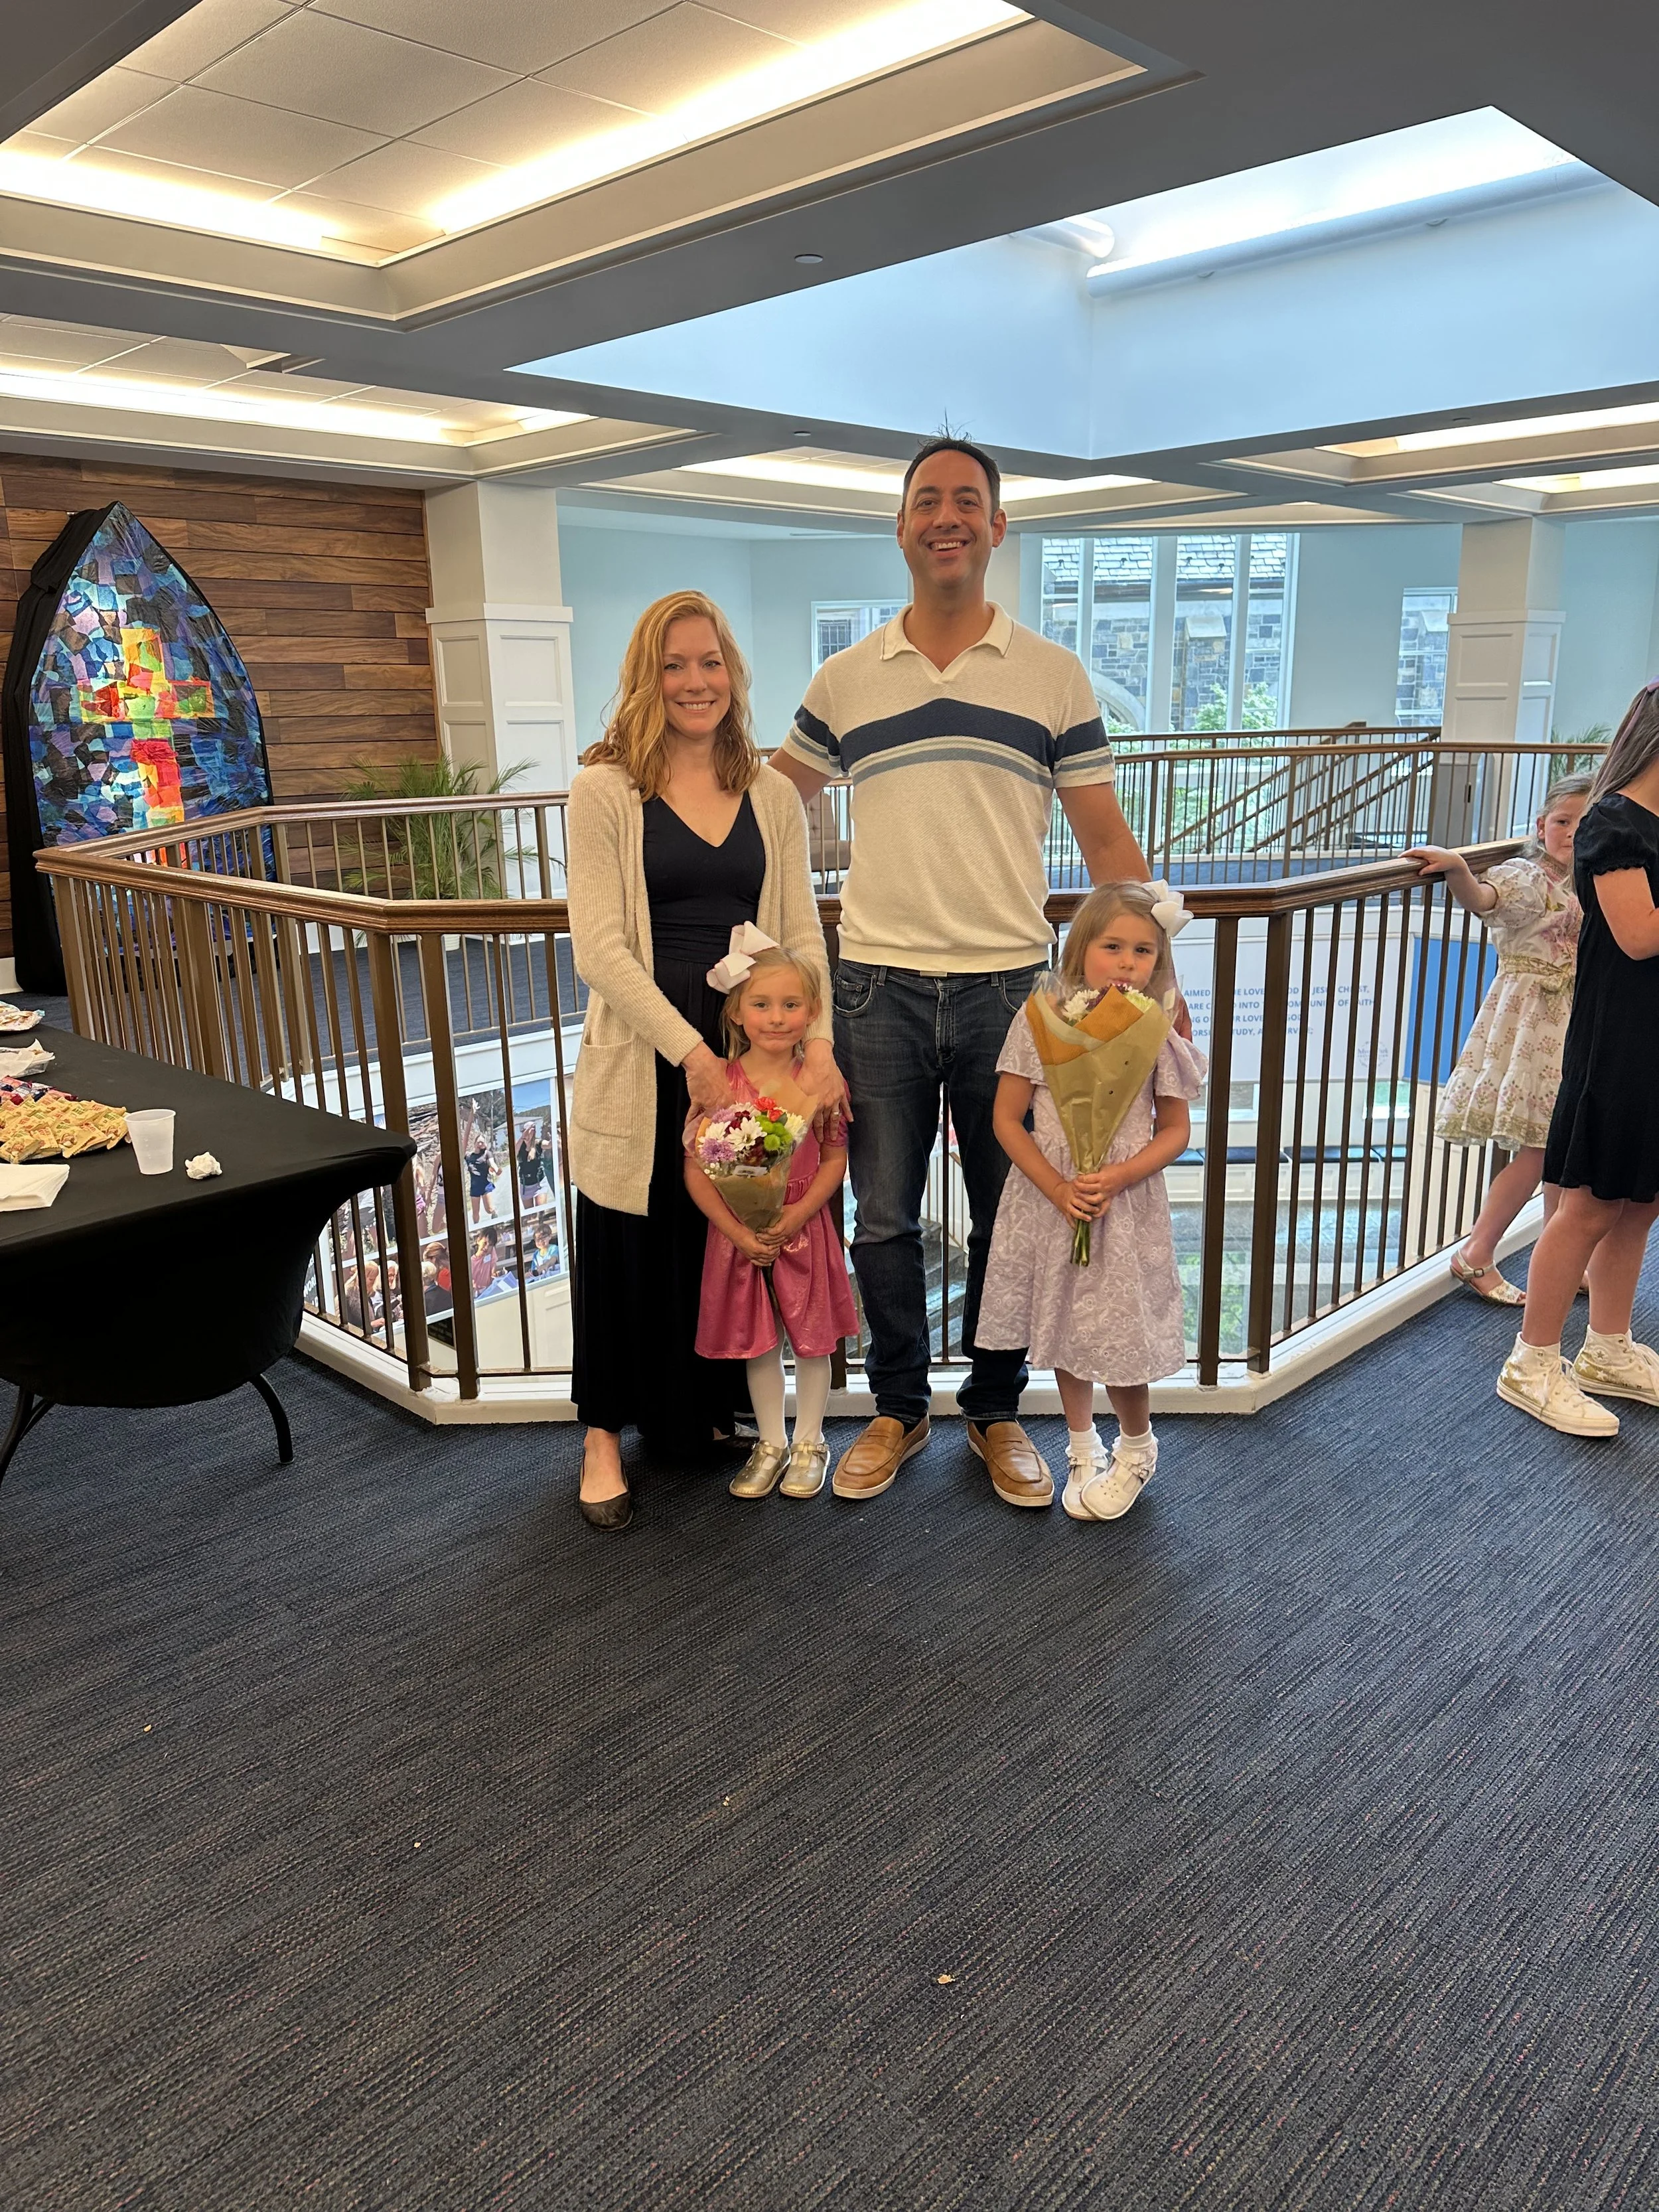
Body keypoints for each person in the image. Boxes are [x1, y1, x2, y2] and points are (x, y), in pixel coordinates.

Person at [772, 435, 1151, 1509]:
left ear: (996, 528)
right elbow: (763, 808)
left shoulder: (1052, 674)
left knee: (1009, 1216)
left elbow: (1106, 840)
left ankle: (994, 1409)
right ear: (901, 527)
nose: (946, 516)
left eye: (967, 501)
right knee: (883, 1215)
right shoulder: (845, 678)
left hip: (1008, 993)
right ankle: (899, 1406)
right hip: (874, 988)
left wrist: (1160, 981)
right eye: (926, 500)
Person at [567, 589, 842, 1531]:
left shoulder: (770, 790)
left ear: (735, 674)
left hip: (752, 1040)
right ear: (648, 677)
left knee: (723, 1228)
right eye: (676, 664)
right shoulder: (604, 788)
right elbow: (599, 945)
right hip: (655, 1040)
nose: (696, 681)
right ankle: (603, 1431)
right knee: (629, 1220)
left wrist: (819, 1053)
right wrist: (689, 1051)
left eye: (711, 662)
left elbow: (803, 931)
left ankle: (698, 1415)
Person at [977, 883, 1205, 1520]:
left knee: (1119, 1331)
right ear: (1081, 949)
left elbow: (1176, 1131)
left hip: (1121, 1207)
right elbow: (1007, 1118)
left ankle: (1137, 1446)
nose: (1128, 961)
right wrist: (1058, 1187)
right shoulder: (1040, 1017)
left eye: (1143, 950)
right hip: (1051, 1202)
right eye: (1113, 946)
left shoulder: (1157, 1026)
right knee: (1063, 1324)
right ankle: (1083, 1445)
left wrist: (1117, 1176)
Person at [1496, 684, 1659, 1435]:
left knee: (1641, 1199)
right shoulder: (1613, 821)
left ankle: (1607, 1348)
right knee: (1589, 1202)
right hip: (1619, 1039)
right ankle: (1532, 1361)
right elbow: (1638, 935)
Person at [1407, 773, 1591, 1304]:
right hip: (1531, 1020)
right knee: (1540, 1149)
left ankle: (1560, 1258)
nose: (1572, 833)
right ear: (1541, 825)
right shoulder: (1529, 877)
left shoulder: (1586, 880)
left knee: (1562, 1148)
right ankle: (1478, 1250)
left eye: (1584, 823)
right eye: (1562, 822)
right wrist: (1460, 869)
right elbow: (1486, 899)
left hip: (1569, 1022)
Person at [686, 944, 858, 1503]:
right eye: (762, 1004)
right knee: (757, 1344)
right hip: (738, 1236)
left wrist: (797, 1215)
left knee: (812, 1343)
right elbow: (696, 1169)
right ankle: (771, 1441)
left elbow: (835, 1158)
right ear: (736, 1011)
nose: (778, 1017)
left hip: (803, 1227)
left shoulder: (822, 1081)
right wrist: (738, 1232)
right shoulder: (719, 1085)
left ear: (812, 1011)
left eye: (791, 1004)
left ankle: (811, 1441)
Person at [464, 1127, 497, 1225]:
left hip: (485, 1185)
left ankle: (495, 1213)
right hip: (474, 1187)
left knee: (489, 1209)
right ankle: (476, 1228)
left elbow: (492, 1163)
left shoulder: (487, 1154)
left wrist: (496, 1170)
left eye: (482, 1142)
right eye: (478, 1142)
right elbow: (462, 1148)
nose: (480, 1144)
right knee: (475, 1213)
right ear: (474, 1144)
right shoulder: (468, 1156)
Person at [516, 1120, 549, 1211]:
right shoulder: (520, 1146)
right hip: (525, 1186)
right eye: (524, 1131)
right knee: (531, 1215)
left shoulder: (538, 1143)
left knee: (541, 1211)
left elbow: (549, 1145)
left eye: (529, 1131)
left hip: (539, 1183)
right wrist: (523, 1137)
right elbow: (513, 1152)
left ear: (534, 1132)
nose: (526, 1133)